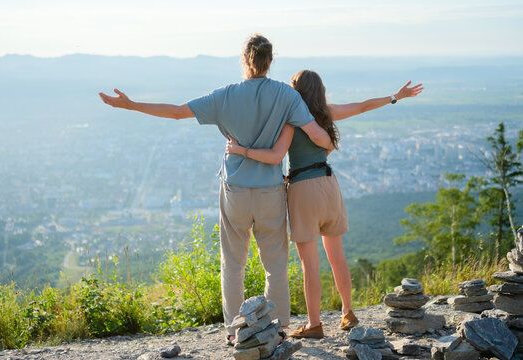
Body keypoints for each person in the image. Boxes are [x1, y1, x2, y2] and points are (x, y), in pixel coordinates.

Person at [99, 35, 335, 344]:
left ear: (244, 60)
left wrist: (130, 105)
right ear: (269, 61)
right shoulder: (286, 96)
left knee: (233, 263)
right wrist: (330, 144)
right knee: (275, 264)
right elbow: (316, 134)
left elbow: (176, 111)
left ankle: (236, 331)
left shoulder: (225, 96)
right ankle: (275, 327)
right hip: (270, 191)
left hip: (235, 189)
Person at [226, 70, 423, 338]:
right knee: (337, 257)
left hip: (303, 190)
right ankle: (348, 312)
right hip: (329, 184)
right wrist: (395, 97)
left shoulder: (291, 120)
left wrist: (240, 150)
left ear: (296, 91)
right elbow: (363, 106)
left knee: (310, 264)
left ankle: (314, 324)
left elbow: (275, 155)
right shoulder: (326, 113)